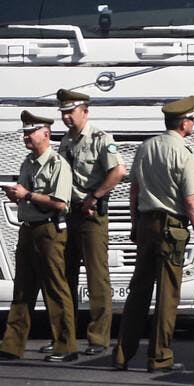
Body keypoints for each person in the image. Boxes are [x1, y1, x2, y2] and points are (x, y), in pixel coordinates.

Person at [113, 96, 194, 373]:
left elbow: (134, 190)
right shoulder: (184, 153)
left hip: (146, 224)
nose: (192, 123)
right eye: (191, 119)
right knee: (167, 294)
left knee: (138, 291)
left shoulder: (146, 147)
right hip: (171, 228)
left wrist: (134, 224)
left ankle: (122, 354)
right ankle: (159, 356)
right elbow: (191, 201)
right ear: (184, 123)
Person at [0, 112, 77, 364]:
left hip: (49, 231)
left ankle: (65, 345)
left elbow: (59, 202)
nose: (26, 137)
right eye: (24, 132)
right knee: (22, 289)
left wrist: (27, 195)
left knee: (56, 289)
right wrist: (17, 196)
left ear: (45, 134)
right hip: (29, 228)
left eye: (30, 132)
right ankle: (11, 345)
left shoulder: (58, 164)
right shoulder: (28, 162)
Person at [55, 88, 126, 357]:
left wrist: (94, 196)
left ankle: (98, 338)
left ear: (85, 111)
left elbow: (118, 171)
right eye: (63, 113)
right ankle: (66, 337)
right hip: (68, 212)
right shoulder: (67, 141)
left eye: (70, 113)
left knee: (97, 277)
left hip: (91, 215)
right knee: (66, 275)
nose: (66, 118)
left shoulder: (100, 139)